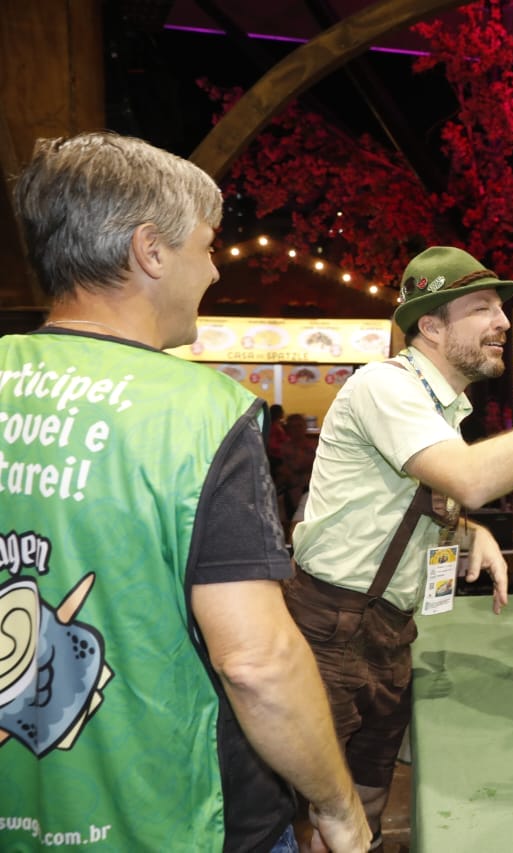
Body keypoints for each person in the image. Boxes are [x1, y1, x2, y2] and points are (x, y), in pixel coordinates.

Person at [0, 132, 368, 852]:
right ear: (150, 251)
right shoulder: (200, 411)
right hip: (177, 818)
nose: (216, 268)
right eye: (207, 244)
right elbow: (256, 660)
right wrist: (338, 806)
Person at [287, 245, 513, 848]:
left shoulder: (441, 406)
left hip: (386, 627)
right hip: (332, 625)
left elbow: (412, 496)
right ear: (430, 325)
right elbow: (469, 478)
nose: (503, 322)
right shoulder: (384, 384)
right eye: (482, 308)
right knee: (322, 806)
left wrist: (468, 531)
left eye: (501, 309)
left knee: (366, 794)